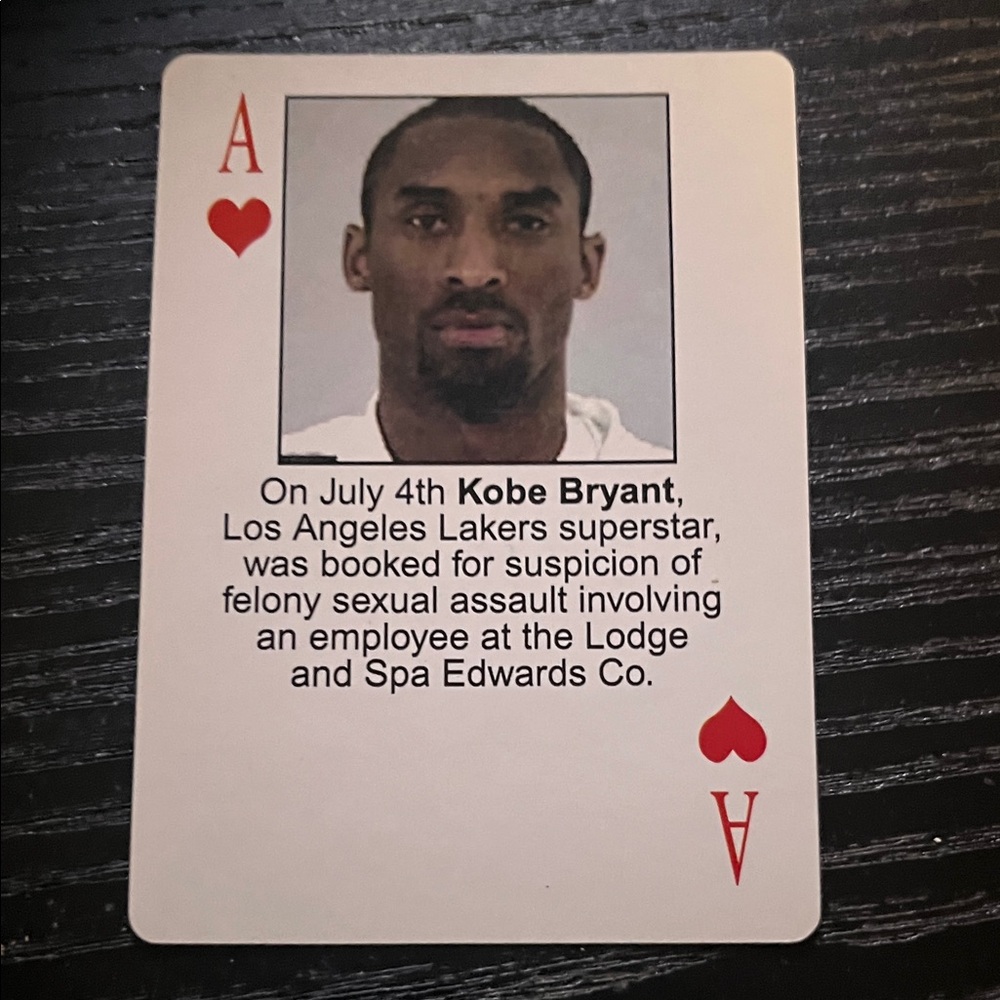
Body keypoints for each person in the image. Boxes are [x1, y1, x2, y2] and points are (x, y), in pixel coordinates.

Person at [283, 97, 672, 463]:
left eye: (526, 224)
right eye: (427, 222)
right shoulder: (273, 489)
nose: (474, 273)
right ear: (359, 260)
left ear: (586, 266)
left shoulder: (673, 492)